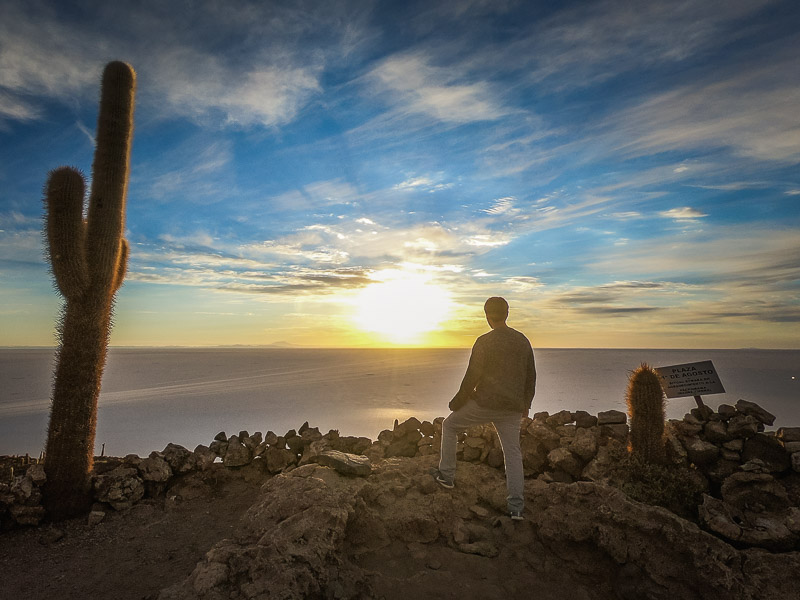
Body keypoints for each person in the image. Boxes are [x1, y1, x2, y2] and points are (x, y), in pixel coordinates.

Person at [433, 297, 536, 520]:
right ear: (507, 314)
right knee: (513, 453)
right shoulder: (522, 341)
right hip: (512, 407)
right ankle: (516, 507)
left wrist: (456, 403)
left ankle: (447, 477)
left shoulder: (484, 342)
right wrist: (526, 404)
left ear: (487, 315)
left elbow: (472, 377)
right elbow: (531, 377)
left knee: (449, 426)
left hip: (486, 404)